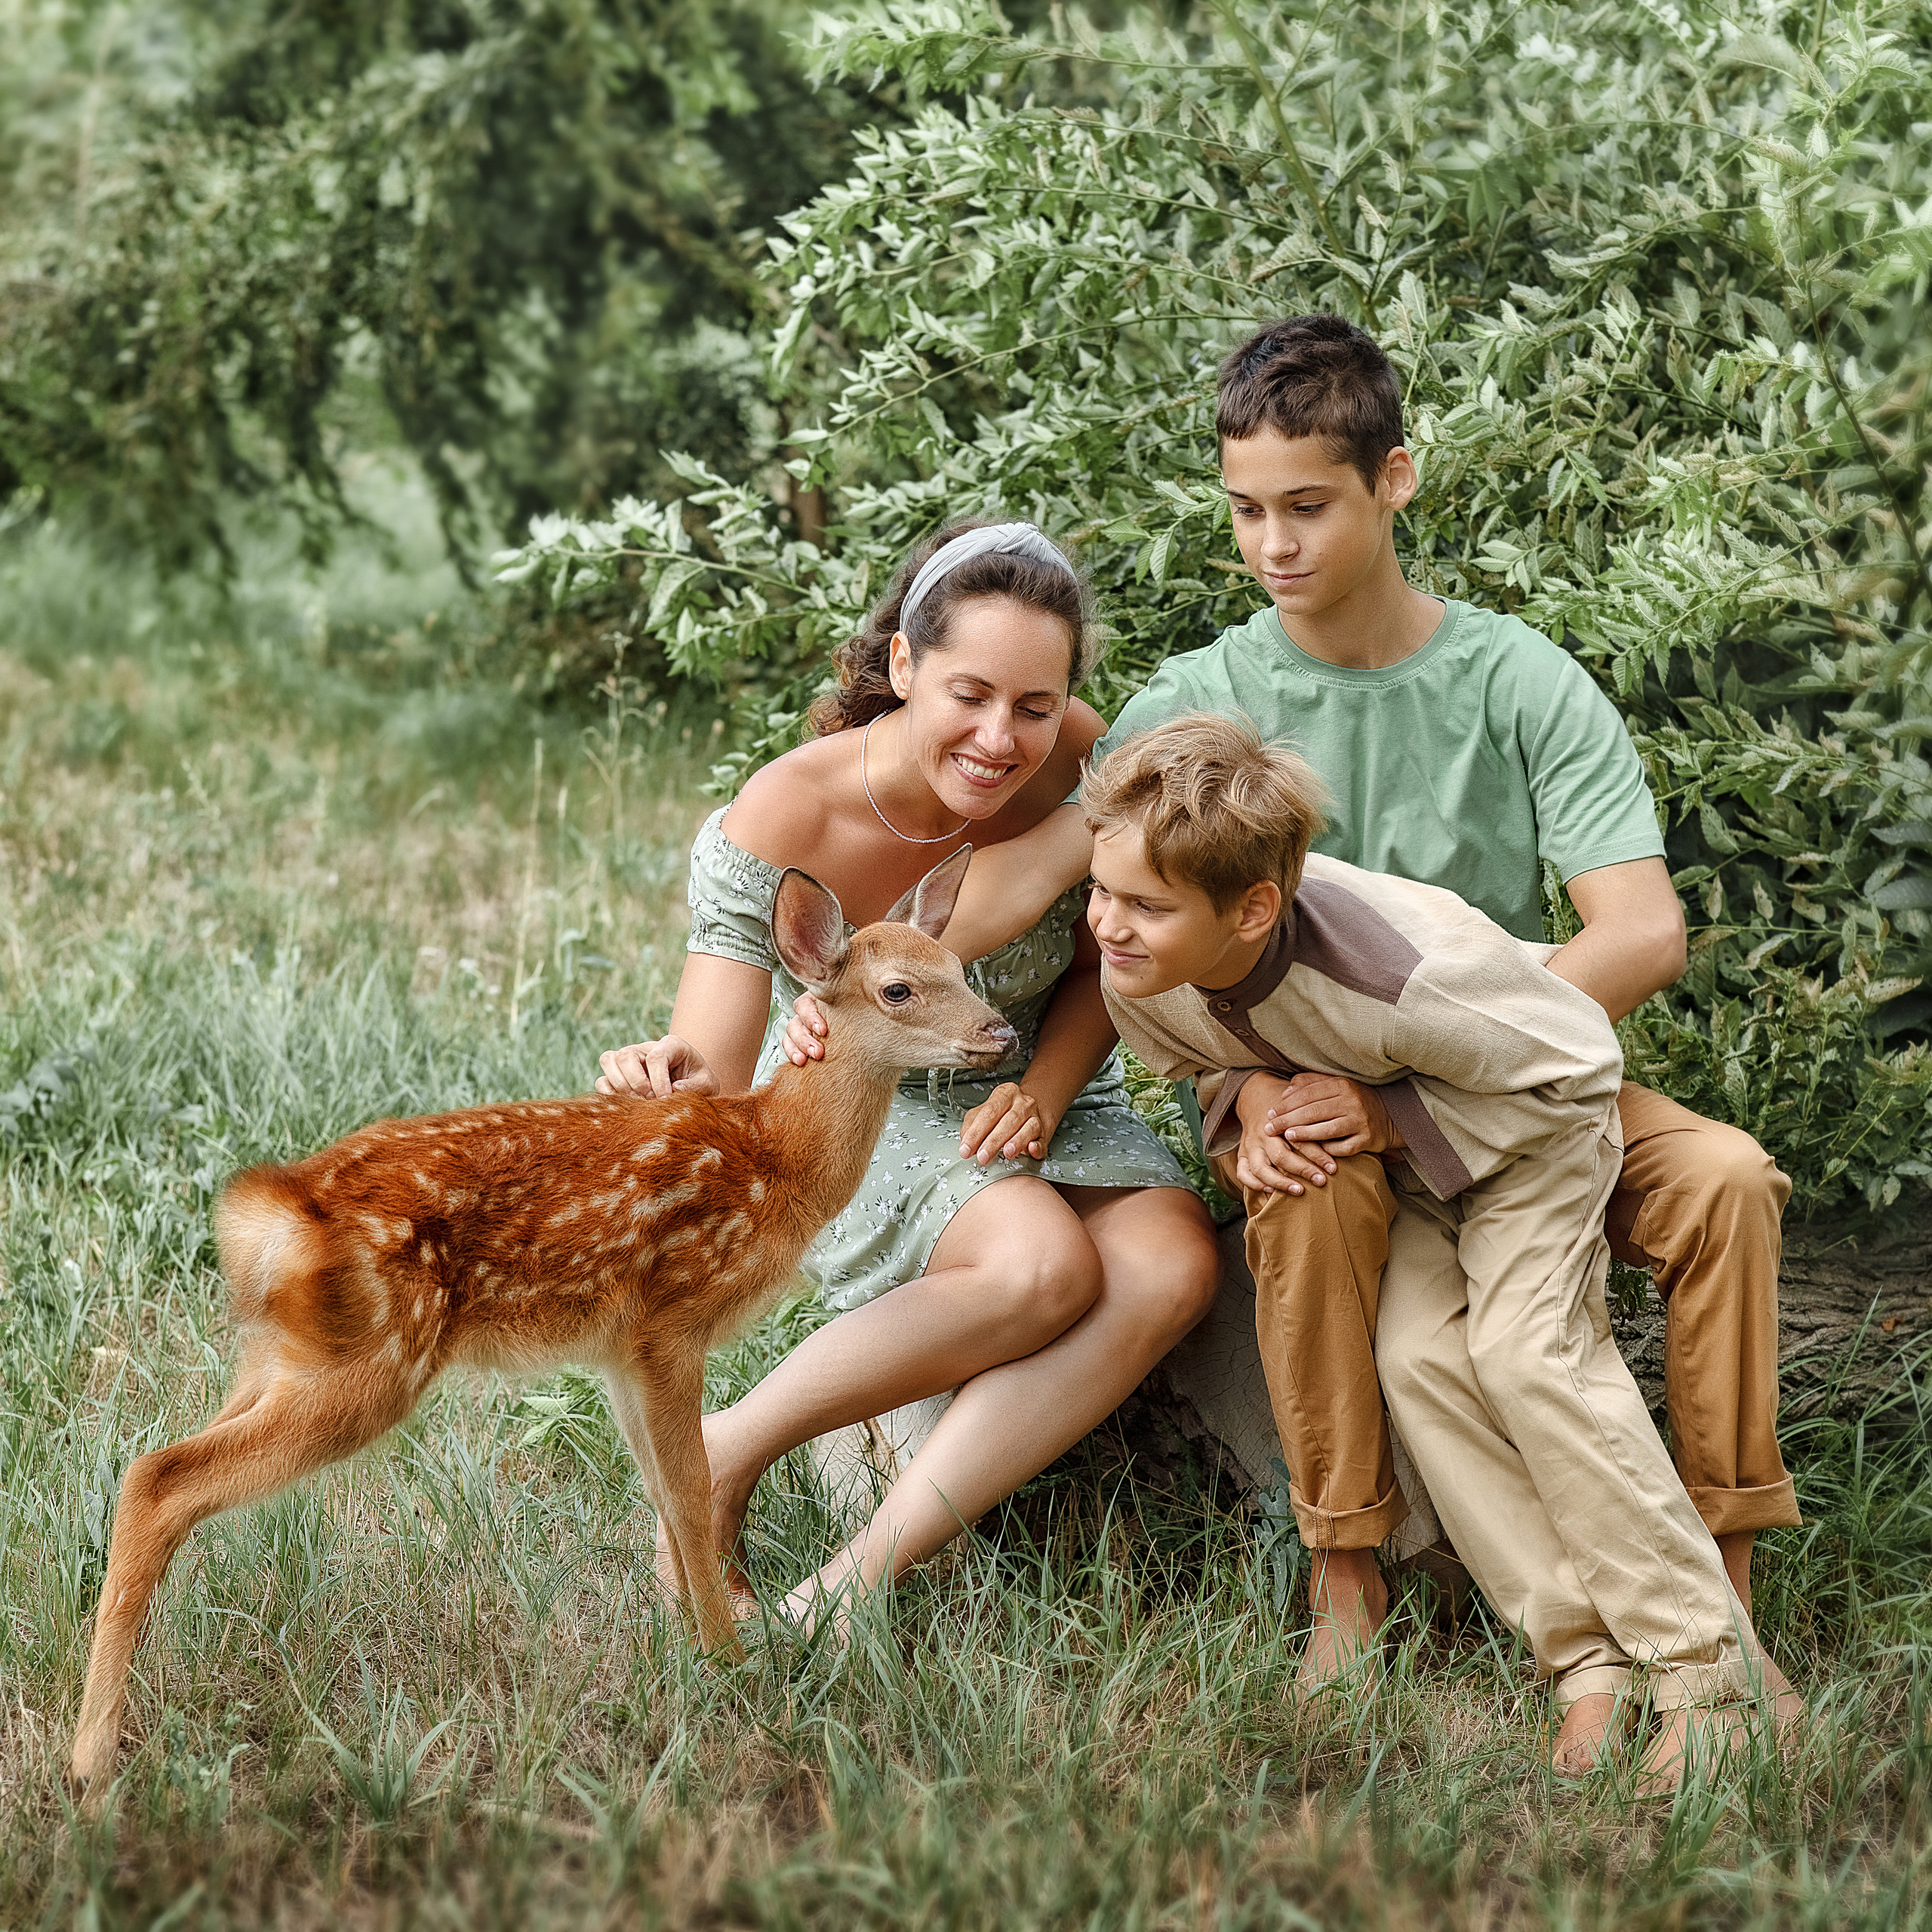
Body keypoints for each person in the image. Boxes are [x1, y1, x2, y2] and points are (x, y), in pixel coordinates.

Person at [791, 315, 1801, 1728]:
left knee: (1728, 1182)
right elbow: (1073, 891)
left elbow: (1639, 934)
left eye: (1308, 506)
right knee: (1317, 1197)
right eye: (1246, 510)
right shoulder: (1199, 699)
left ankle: (1725, 1586)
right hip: (1286, 1084)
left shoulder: (1517, 679)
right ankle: (1349, 1588)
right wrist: (833, 972)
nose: (1273, 544)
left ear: (1395, 480)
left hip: (1504, 1064)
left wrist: (1413, 1085)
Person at [1080, 710, 1763, 1788]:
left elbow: (1578, 1064)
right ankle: (1587, 1661)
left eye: (1145, 908)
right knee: (1420, 1362)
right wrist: (1251, 1102)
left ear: (1253, 910)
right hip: (1419, 1169)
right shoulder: (1142, 966)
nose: (1108, 927)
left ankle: (1715, 1677)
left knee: (1530, 1358)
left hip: (1533, 1140)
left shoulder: (1407, 973)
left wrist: (1389, 1116)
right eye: (1100, 892)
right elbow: (1209, 1054)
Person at [595, 520, 1219, 1629]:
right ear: (902, 665)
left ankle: (845, 1591)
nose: (1000, 738)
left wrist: (1046, 1091)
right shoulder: (792, 810)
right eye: (968, 695)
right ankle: (724, 1449)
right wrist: (662, 1077)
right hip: (864, 1102)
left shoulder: (1080, 756)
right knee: (1041, 1266)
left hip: (1031, 1079)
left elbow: (1094, 969)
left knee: (1173, 1266)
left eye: (1035, 706)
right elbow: (717, 1078)